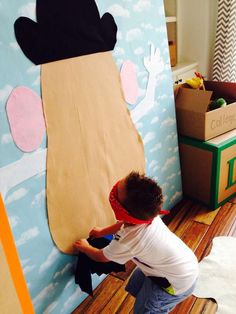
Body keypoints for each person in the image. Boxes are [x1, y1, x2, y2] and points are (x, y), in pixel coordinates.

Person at [74, 172, 199, 313]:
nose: (114, 190)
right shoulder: (148, 215)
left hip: (175, 285)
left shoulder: (129, 240)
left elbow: (101, 257)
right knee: (138, 282)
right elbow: (123, 224)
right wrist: (102, 231)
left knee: (147, 308)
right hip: (183, 266)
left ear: (122, 211)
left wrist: (85, 247)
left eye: (117, 192)